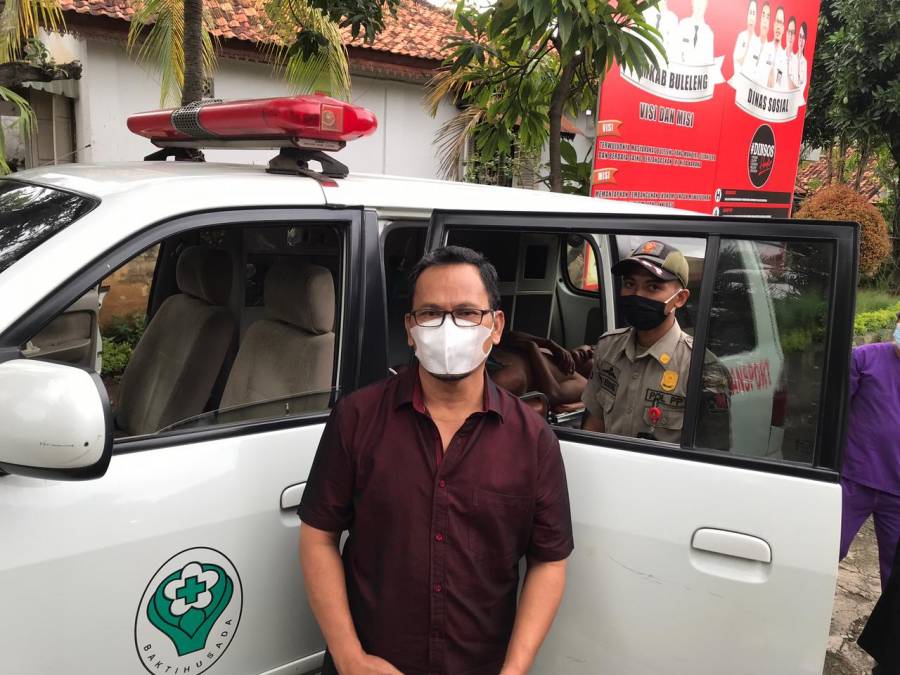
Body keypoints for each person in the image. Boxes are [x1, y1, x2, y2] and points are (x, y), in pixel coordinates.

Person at [298, 245, 574, 675]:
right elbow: (318, 536)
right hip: (371, 665)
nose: (448, 328)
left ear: (496, 326)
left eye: (466, 313)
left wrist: (515, 669)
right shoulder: (357, 417)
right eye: (430, 314)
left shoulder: (532, 439)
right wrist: (350, 658)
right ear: (410, 329)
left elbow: (549, 560)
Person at [581, 241, 731, 448]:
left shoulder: (700, 367)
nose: (637, 295)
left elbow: (711, 453)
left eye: (653, 287)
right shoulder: (608, 347)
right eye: (629, 284)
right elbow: (593, 424)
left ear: (680, 299)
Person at [839, 312, 900, 589]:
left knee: (894, 573)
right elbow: (836, 412)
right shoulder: (864, 359)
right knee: (823, 550)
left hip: (896, 491)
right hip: (853, 478)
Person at [490, 330, 591, 410]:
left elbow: (553, 395)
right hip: (492, 356)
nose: (591, 352)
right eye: (593, 347)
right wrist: (547, 343)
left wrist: (533, 348)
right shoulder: (554, 351)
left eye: (595, 357)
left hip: (506, 377)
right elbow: (504, 336)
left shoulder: (582, 383)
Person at [674, 0, 715, 65]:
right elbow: (674, 49)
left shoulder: (708, 33)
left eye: (702, 4)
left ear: (706, 6)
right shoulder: (683, 24)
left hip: (699, 70)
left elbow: (709, 61)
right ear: (692, 4)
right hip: (681, 68)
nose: (699, 7)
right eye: (697, 3)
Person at [733, 0, 762, 77]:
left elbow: (756, 69)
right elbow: (735, 60)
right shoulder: (741, 36)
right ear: (747, 14)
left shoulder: (758, 43)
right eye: (750, 12)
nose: (751, 16)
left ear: (756, 17)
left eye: (754, 13)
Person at [754, 2, 774, 85]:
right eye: (763, 15)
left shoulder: (772, 51)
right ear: (760, 18)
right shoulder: (752, 42)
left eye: (768, 17)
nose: (765, 20)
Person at [788, 21, 809, 91]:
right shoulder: (791, 58)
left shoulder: (805, 62)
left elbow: (803, 86)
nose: (801, 40)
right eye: (800, 36)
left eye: (803, 37)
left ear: (805, 40)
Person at [783, 16, 798, 89]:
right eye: (789, 31)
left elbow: (797, 89)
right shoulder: (778, 55)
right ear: (786, 33)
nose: (790, 35)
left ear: (795, 36)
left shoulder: (797, 62)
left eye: (793, 32)